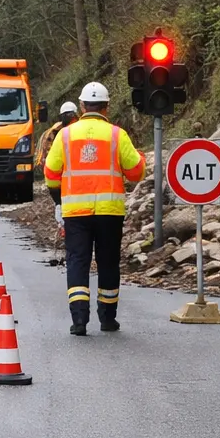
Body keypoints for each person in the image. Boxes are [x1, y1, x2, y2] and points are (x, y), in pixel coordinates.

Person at [42, 83, 145, 335]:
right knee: (108, 262)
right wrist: (139, 157)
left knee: (78, 261)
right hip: (110, 212)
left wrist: (61, 199)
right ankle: (107, 319)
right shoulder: (116, 135)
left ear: (82, 106)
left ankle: (79, 321)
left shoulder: (65, 136)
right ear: (107, 107)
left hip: (76, 213)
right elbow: (136, 172)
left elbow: (50, 175)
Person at [36, 101, 79, 238]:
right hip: (67, 176)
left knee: (62, 206)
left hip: (63, 177)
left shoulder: (56, 133)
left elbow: (48, 161)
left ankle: (65, 228)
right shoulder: (57, 133)